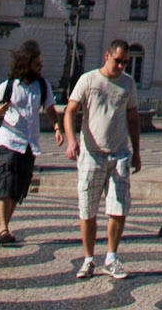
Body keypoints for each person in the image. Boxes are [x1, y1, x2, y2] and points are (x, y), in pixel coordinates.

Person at [64, 38, 141, 281]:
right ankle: (88, 259)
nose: (121, 67)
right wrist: (71, 140)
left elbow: (133, 118)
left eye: (125, 63)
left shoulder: (128, 83)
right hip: (91, 153)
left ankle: (111, 257)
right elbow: (69, 111)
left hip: (119, 154)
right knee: (88, 209)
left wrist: (137, 151)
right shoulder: (89, 80)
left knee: (118, 208)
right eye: (118, 61)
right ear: (107, 56)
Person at [0, 40, 60, 246]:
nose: (40, 67)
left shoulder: (42, 86)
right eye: (37, 64)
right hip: (9, 141)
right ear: (26, 64)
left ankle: (5, 226)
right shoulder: (8, 86)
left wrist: (57, 128)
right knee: (6, 182)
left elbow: (50, 110)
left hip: (29, 144)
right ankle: (3, 227)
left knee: (19, 185)